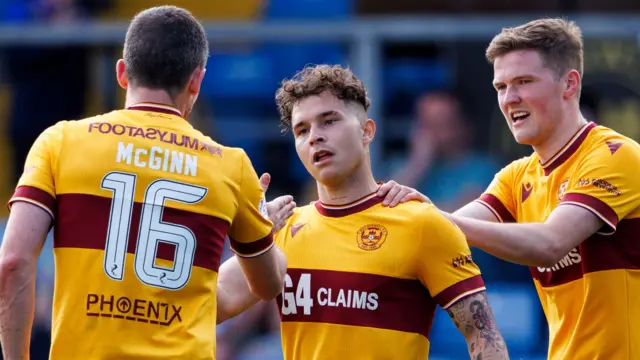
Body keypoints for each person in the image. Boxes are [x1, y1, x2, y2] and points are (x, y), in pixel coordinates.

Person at [0, 6, 287, 360]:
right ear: (196, 80)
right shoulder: (231, 166)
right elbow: (267, 284)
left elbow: (12, 262)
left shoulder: (60, 142)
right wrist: (267, 232)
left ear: (122, 72)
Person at [378, 18, 640, 360]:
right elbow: (445, 233)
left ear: (569, 85)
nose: (509, 99)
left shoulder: (615, 155)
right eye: (501, 86)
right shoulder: (517, 176)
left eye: (523, 82)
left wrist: (436, 218)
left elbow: (550, 244)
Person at [216, 64, 510, 360]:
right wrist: (250, 236)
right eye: (302, 130)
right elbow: (213, 304)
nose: (315, 136)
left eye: (329, 121)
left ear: (367, 131)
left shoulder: (420, 222)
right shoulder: (281, 230)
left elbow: (483, 336)